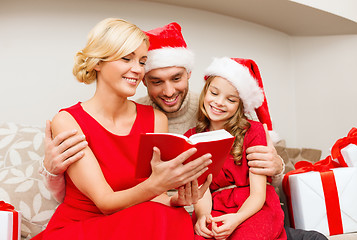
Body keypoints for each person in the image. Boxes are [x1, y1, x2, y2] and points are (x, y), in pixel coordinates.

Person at [40, 21, 285, 204]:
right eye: (156, 81)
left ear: (189, 73)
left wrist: (277, 167)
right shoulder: (135, 114)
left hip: (225, 210)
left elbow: (262, 175)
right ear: (145, 81)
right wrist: (52, 171)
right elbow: (82, 194)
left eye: (176, 78)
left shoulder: (219, 105)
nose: (169, 91)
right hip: (166, 211)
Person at [35, 18, 214, 240]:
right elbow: (105, 202)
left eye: (142, 61)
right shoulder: (68, 120)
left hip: (136, 222)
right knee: (156, 216)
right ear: (97, 62)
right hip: (82, 227)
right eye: (127, 58)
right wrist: (157, 184)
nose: (137, 70)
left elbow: (153, 198)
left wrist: (174, 200)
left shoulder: (157, 119)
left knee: (172, 215)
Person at [187, 57, 286, 239]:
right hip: (213, 206)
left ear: (240, 105)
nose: (219, 102)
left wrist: (237, 218)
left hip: (253, 206)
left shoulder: (253, 131)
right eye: (214, 93)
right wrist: (203, 216)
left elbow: (258, 193)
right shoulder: (192, 137)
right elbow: (202, 189)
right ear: (205, 91)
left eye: (231, 100)